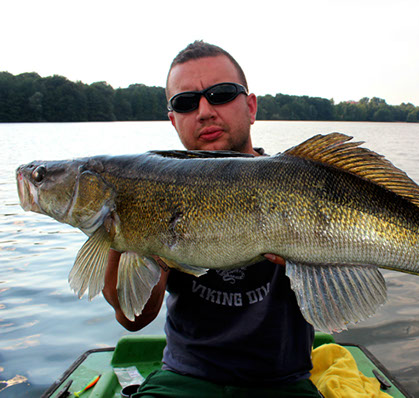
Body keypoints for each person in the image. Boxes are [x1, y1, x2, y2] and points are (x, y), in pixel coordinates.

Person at [102, 41, 321, 397]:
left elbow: (337, 303)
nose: (204, 111)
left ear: (250, 107)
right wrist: (121, 232)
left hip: (282, 383)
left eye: (220, 94)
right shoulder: (152, 190)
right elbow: (134, 319)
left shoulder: (299, 184)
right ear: (174, 120)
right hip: (185, 378)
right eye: (185, 103)